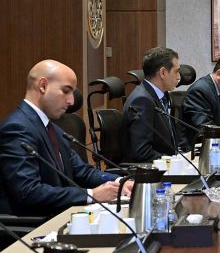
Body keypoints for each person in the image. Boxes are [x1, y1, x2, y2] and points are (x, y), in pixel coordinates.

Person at [0, 60, 132, 217]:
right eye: (66, 91)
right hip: (35, 224)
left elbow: (82, 172)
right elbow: (28, 191)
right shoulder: (17, 128)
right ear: (43, 86)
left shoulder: (51, 127)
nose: (71, 101)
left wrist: (120, 182)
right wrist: (91, 194)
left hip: (60, 215)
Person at [122, 46, 187, 162]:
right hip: (152, 169)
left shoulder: (161, 96)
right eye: (176, 71)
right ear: (163, 73)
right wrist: (173, 161)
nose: (179, 77)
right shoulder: (142, 100)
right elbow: (142, 152)